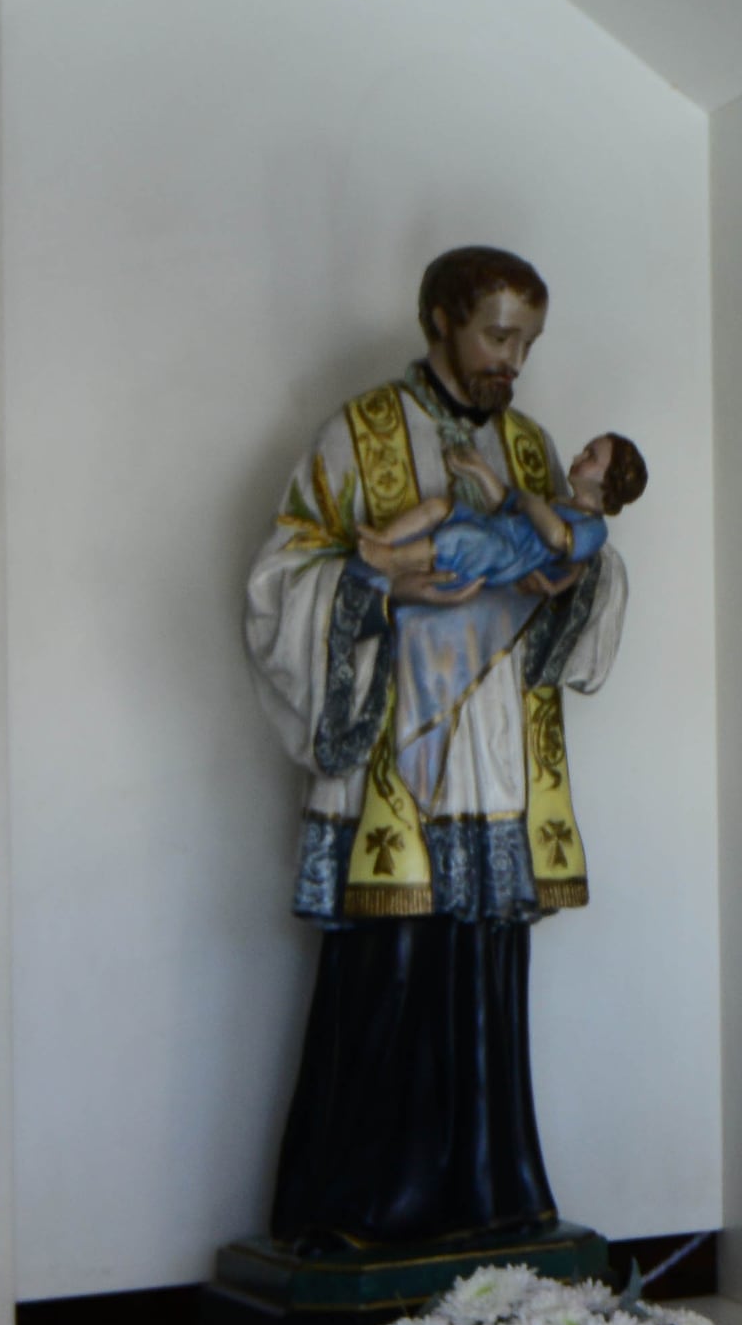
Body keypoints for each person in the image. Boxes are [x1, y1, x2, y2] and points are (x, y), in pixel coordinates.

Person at [238, 245, 638, 1249]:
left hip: (496, 752)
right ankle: (365, 1206)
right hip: (397, 765)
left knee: (486, 981)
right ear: (439, 322)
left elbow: (578, 585)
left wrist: (581, 576)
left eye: (527, 340)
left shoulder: (540, 452)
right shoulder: (360, 432)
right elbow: (282, 577)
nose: (514, 359)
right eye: (498, 334)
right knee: (393, 967)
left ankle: (491, 1196)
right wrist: (376, 587)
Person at [365, 424, 645, 600]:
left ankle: (391, 559)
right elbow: (505, 503)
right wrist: (479, 470)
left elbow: (558, 538)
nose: (578, 457)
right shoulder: (561, 504)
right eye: (584, 451)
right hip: (497, 527)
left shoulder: (593, 527)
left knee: (460, 536)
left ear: (609, 481)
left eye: (591, 457)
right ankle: (385, 537)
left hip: (508, 555)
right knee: (442, 506)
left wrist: (532, 504)